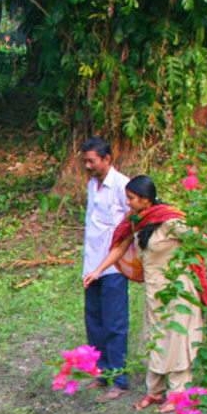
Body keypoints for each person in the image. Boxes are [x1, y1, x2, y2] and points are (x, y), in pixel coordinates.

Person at [84, 175, 206, 413]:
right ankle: (155, 392)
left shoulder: (171, 222)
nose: (127, 202)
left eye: (131, 198)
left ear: (145, 199)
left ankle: (178, 394)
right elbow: (120, 246)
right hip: (154, 291)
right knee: (155, 338)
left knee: (176, 340)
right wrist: (97, 271)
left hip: (178, 290)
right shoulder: (137, 221)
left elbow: (199, 241)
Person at [79, 136, 130, 400]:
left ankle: (119, 379)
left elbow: (132, 222)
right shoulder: (92, 185)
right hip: (91, 265)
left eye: (92, 160)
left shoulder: (122, 186)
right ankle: (101, 372)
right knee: (94, 321)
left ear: (107, 159)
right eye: (85, 160)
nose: (87, 165)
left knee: (114, 322)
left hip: (114, 266)